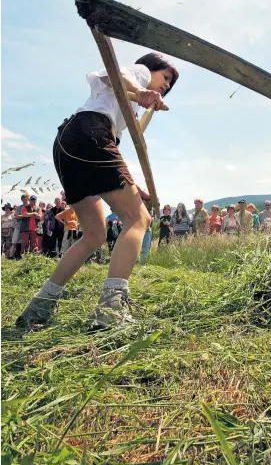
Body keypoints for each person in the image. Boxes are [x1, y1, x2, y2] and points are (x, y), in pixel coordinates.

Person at [16, 51, 179, 331]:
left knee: (94, 234)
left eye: (169, 85)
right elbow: (111, 75)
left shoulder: (126, 106)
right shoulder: (138, 72)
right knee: (139, 220)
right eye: (165, 77)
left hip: (70, 142)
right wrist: (141, 91)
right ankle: (110, 310)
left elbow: (107, 149)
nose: (165, 85)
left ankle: (39, 306)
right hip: (90, 131)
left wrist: (133, 186)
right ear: (152, 68)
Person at [10, 194, 29, 259]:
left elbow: (32, 216)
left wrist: (24, 215)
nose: (24, 200)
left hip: (26, 227)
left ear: (28, 199)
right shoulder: (19, 207)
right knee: (15, 241)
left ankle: (20, 256)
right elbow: (17, 217)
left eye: (26, 198)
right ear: (21, 199)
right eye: (23, 198)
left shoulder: (30, 207)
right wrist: (26, 215)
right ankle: (12, 256)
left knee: (23, 242)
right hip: (18, 226)